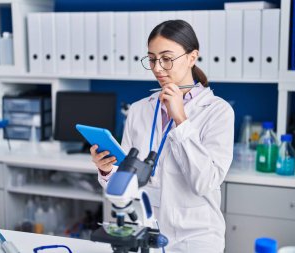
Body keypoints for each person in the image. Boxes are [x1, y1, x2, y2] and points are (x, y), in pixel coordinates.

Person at [90, 20, 234, 253]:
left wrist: (181, 120)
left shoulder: (218, 111)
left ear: (191, 57)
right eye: (152, 59)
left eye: (167, 58)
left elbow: (205, 182)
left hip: (196, 237)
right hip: (144, 230)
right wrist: (106, 170)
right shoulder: (138, 110)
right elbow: (125, 179)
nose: (158, 68)